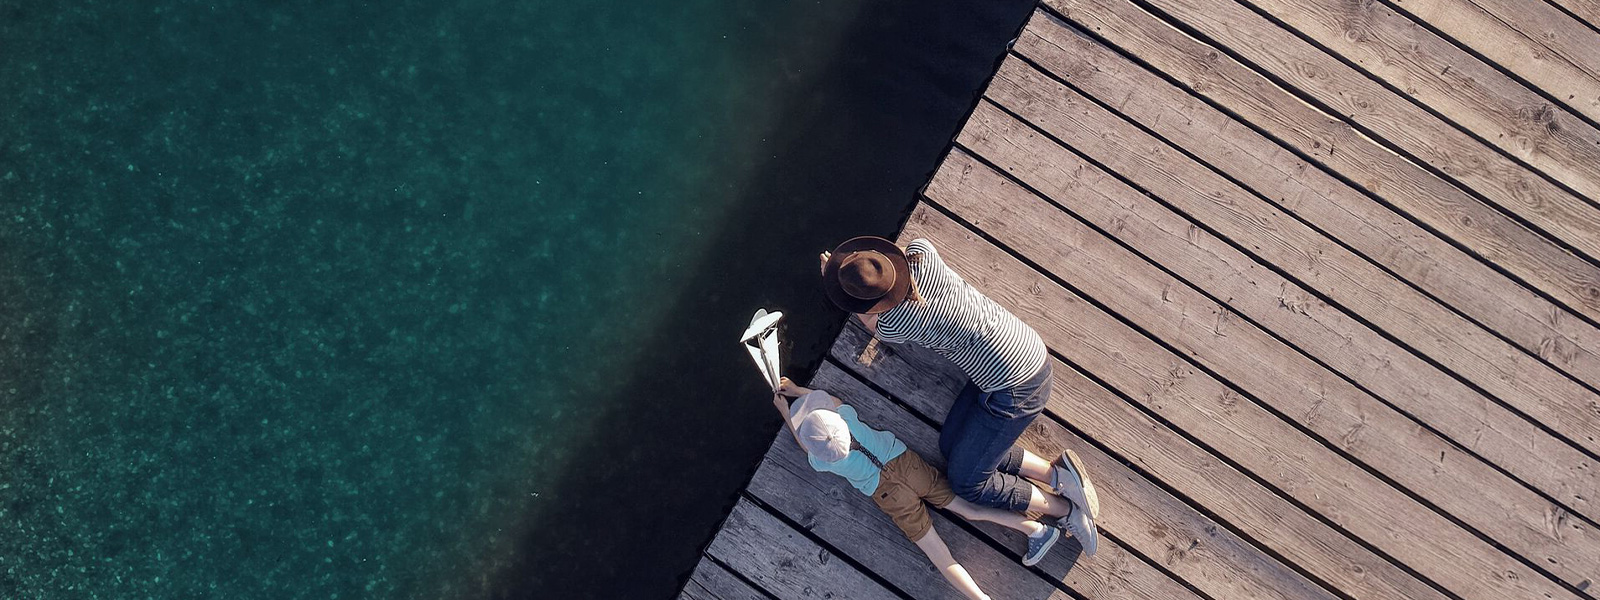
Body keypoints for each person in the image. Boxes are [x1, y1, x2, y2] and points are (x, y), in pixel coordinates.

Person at [820, 236, 1100, 555]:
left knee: (967, 483)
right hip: (1022, 350)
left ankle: (1064, 511)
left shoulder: (896, 322)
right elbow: (910, 249)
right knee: (951, 445)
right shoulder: (923, 255)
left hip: (1015, 389)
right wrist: (846, 266)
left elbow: (870, 322)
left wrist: (837, 278)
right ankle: (1057, 474)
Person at [772, 377, 1062, 600]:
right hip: (907, 464)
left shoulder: (823, 463)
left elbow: (804, 443)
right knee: (970, 510)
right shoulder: (846, 417)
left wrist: (786, 413)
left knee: (939, 554)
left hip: (887, 494)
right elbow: (832, 400)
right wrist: (798, 391)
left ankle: (981, 598)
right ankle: (1036, 530)